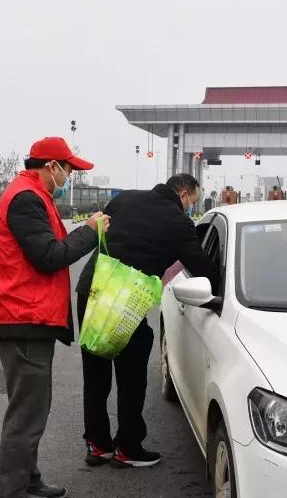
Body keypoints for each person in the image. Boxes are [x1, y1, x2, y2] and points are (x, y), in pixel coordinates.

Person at [0, 136, 107, 498]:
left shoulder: (34, 195)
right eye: (68, 169)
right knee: (26, 417)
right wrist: (88, 232)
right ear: (50, 165)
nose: (69, 176)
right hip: (22, 318)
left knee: (33, 410)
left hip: (31, 317)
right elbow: (50, 256)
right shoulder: (25, 199)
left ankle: (29, 481)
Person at [76, 174, 217, 468]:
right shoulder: (178, 222)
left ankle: (97, 445)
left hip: (93, 288)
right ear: (182, 193)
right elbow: (203, 266)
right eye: (192, 200)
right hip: (124, 300)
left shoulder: (124, 197)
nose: (191, 206)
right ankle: (127, 448)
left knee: (95, 370)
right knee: (131, 373)